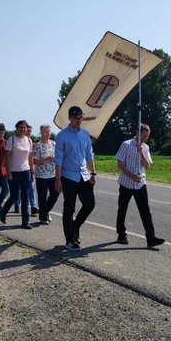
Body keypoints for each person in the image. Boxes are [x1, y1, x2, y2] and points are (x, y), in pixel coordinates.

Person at [115, 124, 165, 249]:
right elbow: (120, 164)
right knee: (122, 209)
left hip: (140, 184)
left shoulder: (145, 147)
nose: (145, 138)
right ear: (137, 133)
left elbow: (147, 166)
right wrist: (132, 176)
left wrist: (141, 152)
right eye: (143, 135)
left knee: (145, 211)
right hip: (126, 183)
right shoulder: (126, 144)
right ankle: (121, 234)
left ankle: (151, 238)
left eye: (147, 136)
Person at [54, 106, 96, 250]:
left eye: (81, 118)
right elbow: (58, 158)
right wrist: (57, 179)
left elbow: (89, 154)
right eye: (76, 118)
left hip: (84, 175)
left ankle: (76, 226)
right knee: (69, 208)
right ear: (70, 118)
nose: (79, 121)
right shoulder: (62, 135)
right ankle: (69, 240)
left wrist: (93, 173)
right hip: (68, 176)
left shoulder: (85, 134)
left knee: (90, 203)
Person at [0, 120, 34, 229]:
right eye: (21, 127)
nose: (23, 129)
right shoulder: (12, 139)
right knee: (14, 196)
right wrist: (8, 171)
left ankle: (25, 221)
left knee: (25, 196)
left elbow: (30, 157)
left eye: (24, 127)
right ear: (17, 128)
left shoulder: (29, 140)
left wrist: (32, 171)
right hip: (14, 171)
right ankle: (3, 212)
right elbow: (7, 157)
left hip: (26, 171)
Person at [33, 123, 59, 225]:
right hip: (41, 175)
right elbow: (35, 161)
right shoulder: (38, 145)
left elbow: (58, 157)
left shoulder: (54, 144)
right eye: (45, 132)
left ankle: (45, 211)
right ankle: (43, 218)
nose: (48, 134)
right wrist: (47, 158)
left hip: (52, 174)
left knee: (55, 193)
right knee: (42, 197)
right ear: (41, 133)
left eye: (49, 132)